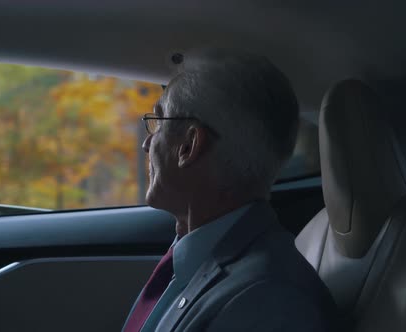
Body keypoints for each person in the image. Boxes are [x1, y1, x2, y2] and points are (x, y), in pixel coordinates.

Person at [122, 49, 337, 332]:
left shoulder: (266, 302)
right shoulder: (216, 266)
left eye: (159, 122)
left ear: (189, 146)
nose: (146, 144)